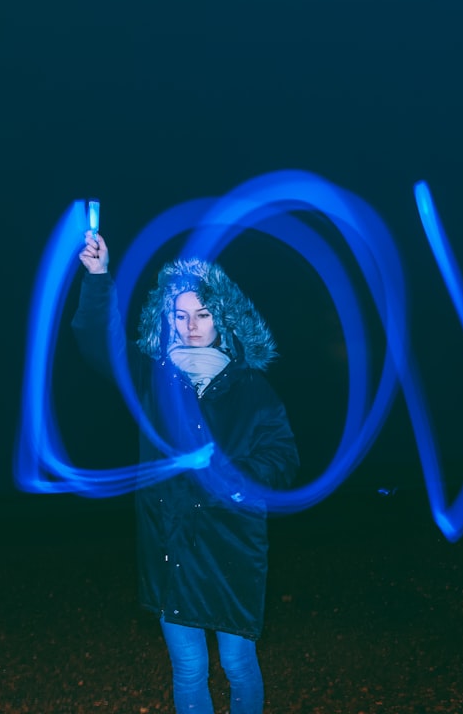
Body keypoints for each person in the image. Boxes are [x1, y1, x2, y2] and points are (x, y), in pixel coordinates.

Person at [72, 230, 299, 714]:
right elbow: (99, 345)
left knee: (238, 664)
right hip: (171, 545)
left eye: (202, 314)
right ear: (167, 320)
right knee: (189, 668)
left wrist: (231, 477)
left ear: (222, 317)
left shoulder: (251, 389)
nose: (191, 326)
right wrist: (97, 277)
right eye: (180, 315)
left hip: (232, 545)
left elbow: (283, 458)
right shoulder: (152, 381)